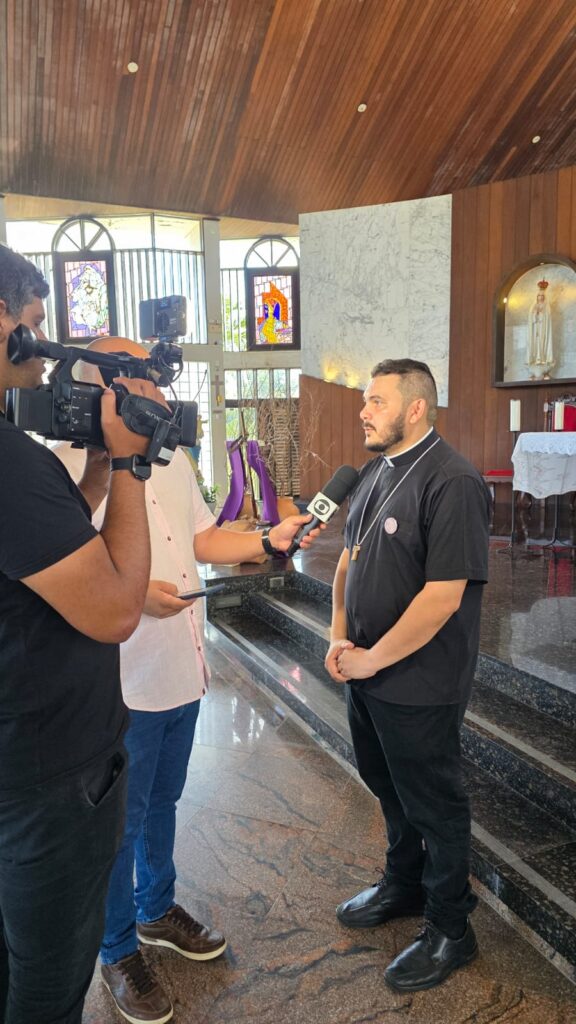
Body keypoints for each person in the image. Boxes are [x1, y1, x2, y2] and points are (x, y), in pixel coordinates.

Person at [56, 336, 323, 1024]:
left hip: (184, 664)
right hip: (126, 680)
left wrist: (266, 539)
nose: (154, 386)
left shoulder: (171, 457)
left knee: (164, 802)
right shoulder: (67, 466)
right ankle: (117, 948)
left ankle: (155, 909)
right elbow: (69, 573)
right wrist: (133, 593)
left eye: (152, 374)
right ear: (98, 388)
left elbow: (202, 537)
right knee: (120, 825)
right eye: (135, 376)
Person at [0, 247, 168, 1022]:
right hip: (48, 777)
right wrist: (131, 467)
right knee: (46, 984)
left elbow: (43, 552)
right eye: (35, 324)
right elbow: (114, 610)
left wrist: (98, 468)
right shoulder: (11, 464)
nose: (45, 349)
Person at [325, 358, 490, 993]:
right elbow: (347, 562)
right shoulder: (373, 473)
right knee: (388, 787)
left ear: (415, 408)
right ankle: (403, 884)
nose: (363, 411)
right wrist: (338, 634)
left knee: (435, 804)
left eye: (376, 401)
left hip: (420, 680)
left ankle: (451, 927)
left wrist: (372, 658)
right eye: (365, 400)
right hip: (367, 673)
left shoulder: (453, 480)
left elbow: (443, 596)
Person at [526, 281, 554, 380]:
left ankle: (543, 361)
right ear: (536, 297)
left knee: (542, 344)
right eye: (539, 296)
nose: (540, 297)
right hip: (535, 330)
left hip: (543, 330)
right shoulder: (533, 306)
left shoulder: (547, 307)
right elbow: (531, 318)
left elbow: (547, 318)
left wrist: (542, 314)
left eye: (542, 296)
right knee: (535, 344)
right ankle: (534, 361)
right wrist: (535, 314)